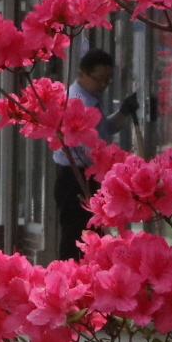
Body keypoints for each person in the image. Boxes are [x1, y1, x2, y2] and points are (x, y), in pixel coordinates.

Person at [52, 48, 124, 262]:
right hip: (75, 177)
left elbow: (104, 130)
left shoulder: (90, 98)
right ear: (81, 74)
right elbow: (89, 147)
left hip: (88, 176)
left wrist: (124, 113)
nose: (102, 86)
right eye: (99, 79)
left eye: (107, 81)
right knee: (76, 237)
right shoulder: (76, 102)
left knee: (93, 237)